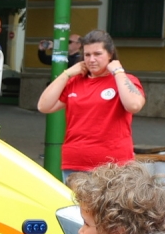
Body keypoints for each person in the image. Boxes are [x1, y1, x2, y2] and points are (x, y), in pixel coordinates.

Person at [35, 30, 146, 175]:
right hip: (75, 164)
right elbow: (43, 106)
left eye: (97, 54)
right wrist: (66, 74)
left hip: (114, 167)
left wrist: (118, 72)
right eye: (87, 55)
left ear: (110, 54)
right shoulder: (75, 81)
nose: (92, 59)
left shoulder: (125, 80)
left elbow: (134, 105)